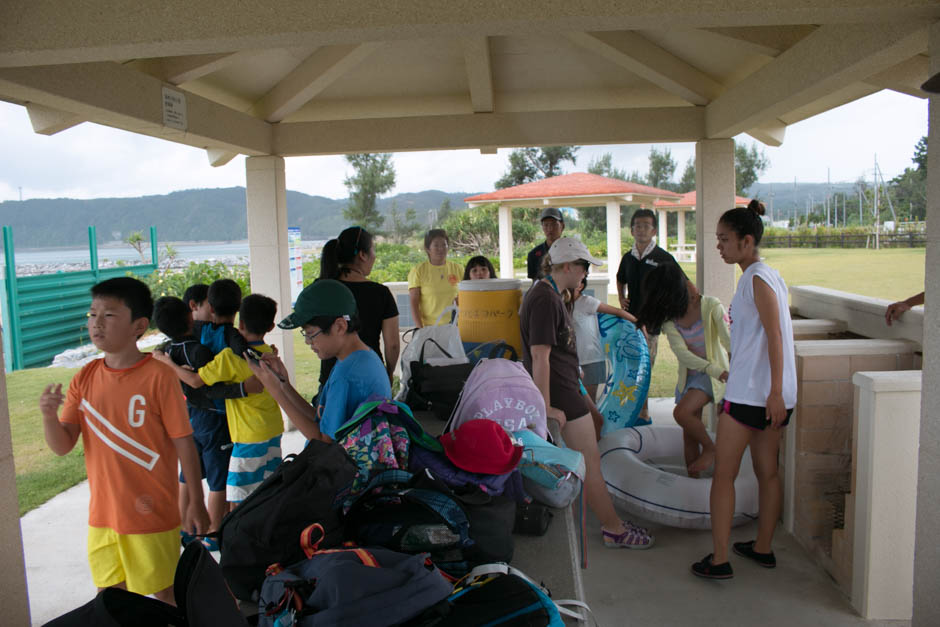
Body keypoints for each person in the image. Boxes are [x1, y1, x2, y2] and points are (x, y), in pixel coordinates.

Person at [39, 277, 209, 605]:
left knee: (167, 593)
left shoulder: (158, 376)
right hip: (102, 517)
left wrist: (196, 502)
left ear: (139, 326)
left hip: (151, 513)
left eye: (109, 315)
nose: (96, 323)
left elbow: (184, 443)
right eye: (92, 315)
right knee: (110, 599)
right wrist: (49, 416)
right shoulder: (84, 377)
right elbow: (62, 445)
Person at [520, 237, 654, 549]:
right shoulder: (544, 299)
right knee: (590, 463)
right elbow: (539, 357)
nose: (585, 274)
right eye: (583, 267)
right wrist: (546, 408)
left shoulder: (554, 295)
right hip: (563, 395)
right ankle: (613, 528)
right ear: (567, 266)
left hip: (568, 387)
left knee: (589, 459)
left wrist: (574, 368)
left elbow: (557, 350)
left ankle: (612, 523)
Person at [691, 199, 797, 579]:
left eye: (724, 239)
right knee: (768, 472)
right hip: (770, 394)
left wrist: (773, 393)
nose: (718, 246)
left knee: (724, 475)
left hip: (756, 395)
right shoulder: (768, 275)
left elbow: (775, 338)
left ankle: (719, 560)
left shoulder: (754, 279)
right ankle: (763, 548)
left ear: (746, 241)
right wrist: (778, 393)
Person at [155, 294, 284, 504]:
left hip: (247, 434)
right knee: (267, 487)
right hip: (272, 428)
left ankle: (223, 536)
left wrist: (167, 363)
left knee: (236, 495)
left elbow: (197, 381)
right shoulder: (269, 354)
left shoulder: (228, 356)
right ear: (270, 327)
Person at [152, 296, 259, 548]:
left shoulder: (166, 349)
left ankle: (183, 529)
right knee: (217, 478)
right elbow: (210, 387)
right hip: (212, 418)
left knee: (189, 474)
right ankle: (212, 534)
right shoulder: (200, 351)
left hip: (187, 416)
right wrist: (243, 388)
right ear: (192, 315)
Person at [247, 279, 392, 442]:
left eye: (311, 333)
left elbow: (323, 441)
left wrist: (275, 391)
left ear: (340, 326)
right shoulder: (359, 358)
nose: (308, 342)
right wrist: (283, 384)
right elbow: (322, 420)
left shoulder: (347, 375)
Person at [638, 264, 730, 478]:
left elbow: (728, 340)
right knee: (689, 434)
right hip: (693, 375)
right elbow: (683, 355)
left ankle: (711, 448)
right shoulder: (671, 320)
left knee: (682, 413)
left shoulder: (710, 306)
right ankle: (692, 485)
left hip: (715, 374)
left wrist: (727, 373)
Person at [616, 208, 678, 420]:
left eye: (646, 226)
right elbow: (620, 278)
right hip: (630, 322)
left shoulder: (663, 258)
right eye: (637, 226)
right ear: (632, 230)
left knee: (646, 369)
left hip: (651, 324)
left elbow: (679, 283)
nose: (641, 230)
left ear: (654, 231)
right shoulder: (628, 258)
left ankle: (643, 411)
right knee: (629, 368)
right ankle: (629, 408)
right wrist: (621, 297)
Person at [318, 226, 399, 387]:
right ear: (362, 255)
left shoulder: (322, 288)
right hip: (371, 377)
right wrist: (388, 373)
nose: (374, 256)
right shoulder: (380, 293)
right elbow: (393, 344)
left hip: (332, 379)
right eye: (373, 250)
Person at [570, 276, 636, 402]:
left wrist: (638, 323)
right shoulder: (561, 304)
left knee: (589, 403)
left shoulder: (587, 302)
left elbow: (617, 311)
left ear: (580, 286)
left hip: (591, 360)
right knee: (575, 403)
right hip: (572, 361)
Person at [408, 229, 463, 328]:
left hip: (454, 326)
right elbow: (414, 303)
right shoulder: (418, 270)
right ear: (428, 249)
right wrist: (421, 329)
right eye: (436, 245)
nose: (441, 249)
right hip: (429, 328)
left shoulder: (457, 269)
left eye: (444, 245)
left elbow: (464, 296)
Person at [526, 207, 565, 282]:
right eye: (546, 225)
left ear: (562, 226)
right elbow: (534, 283)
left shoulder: (572, 251)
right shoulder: (533, 255)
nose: (550, 229)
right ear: (542, 227)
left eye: (554, 224)